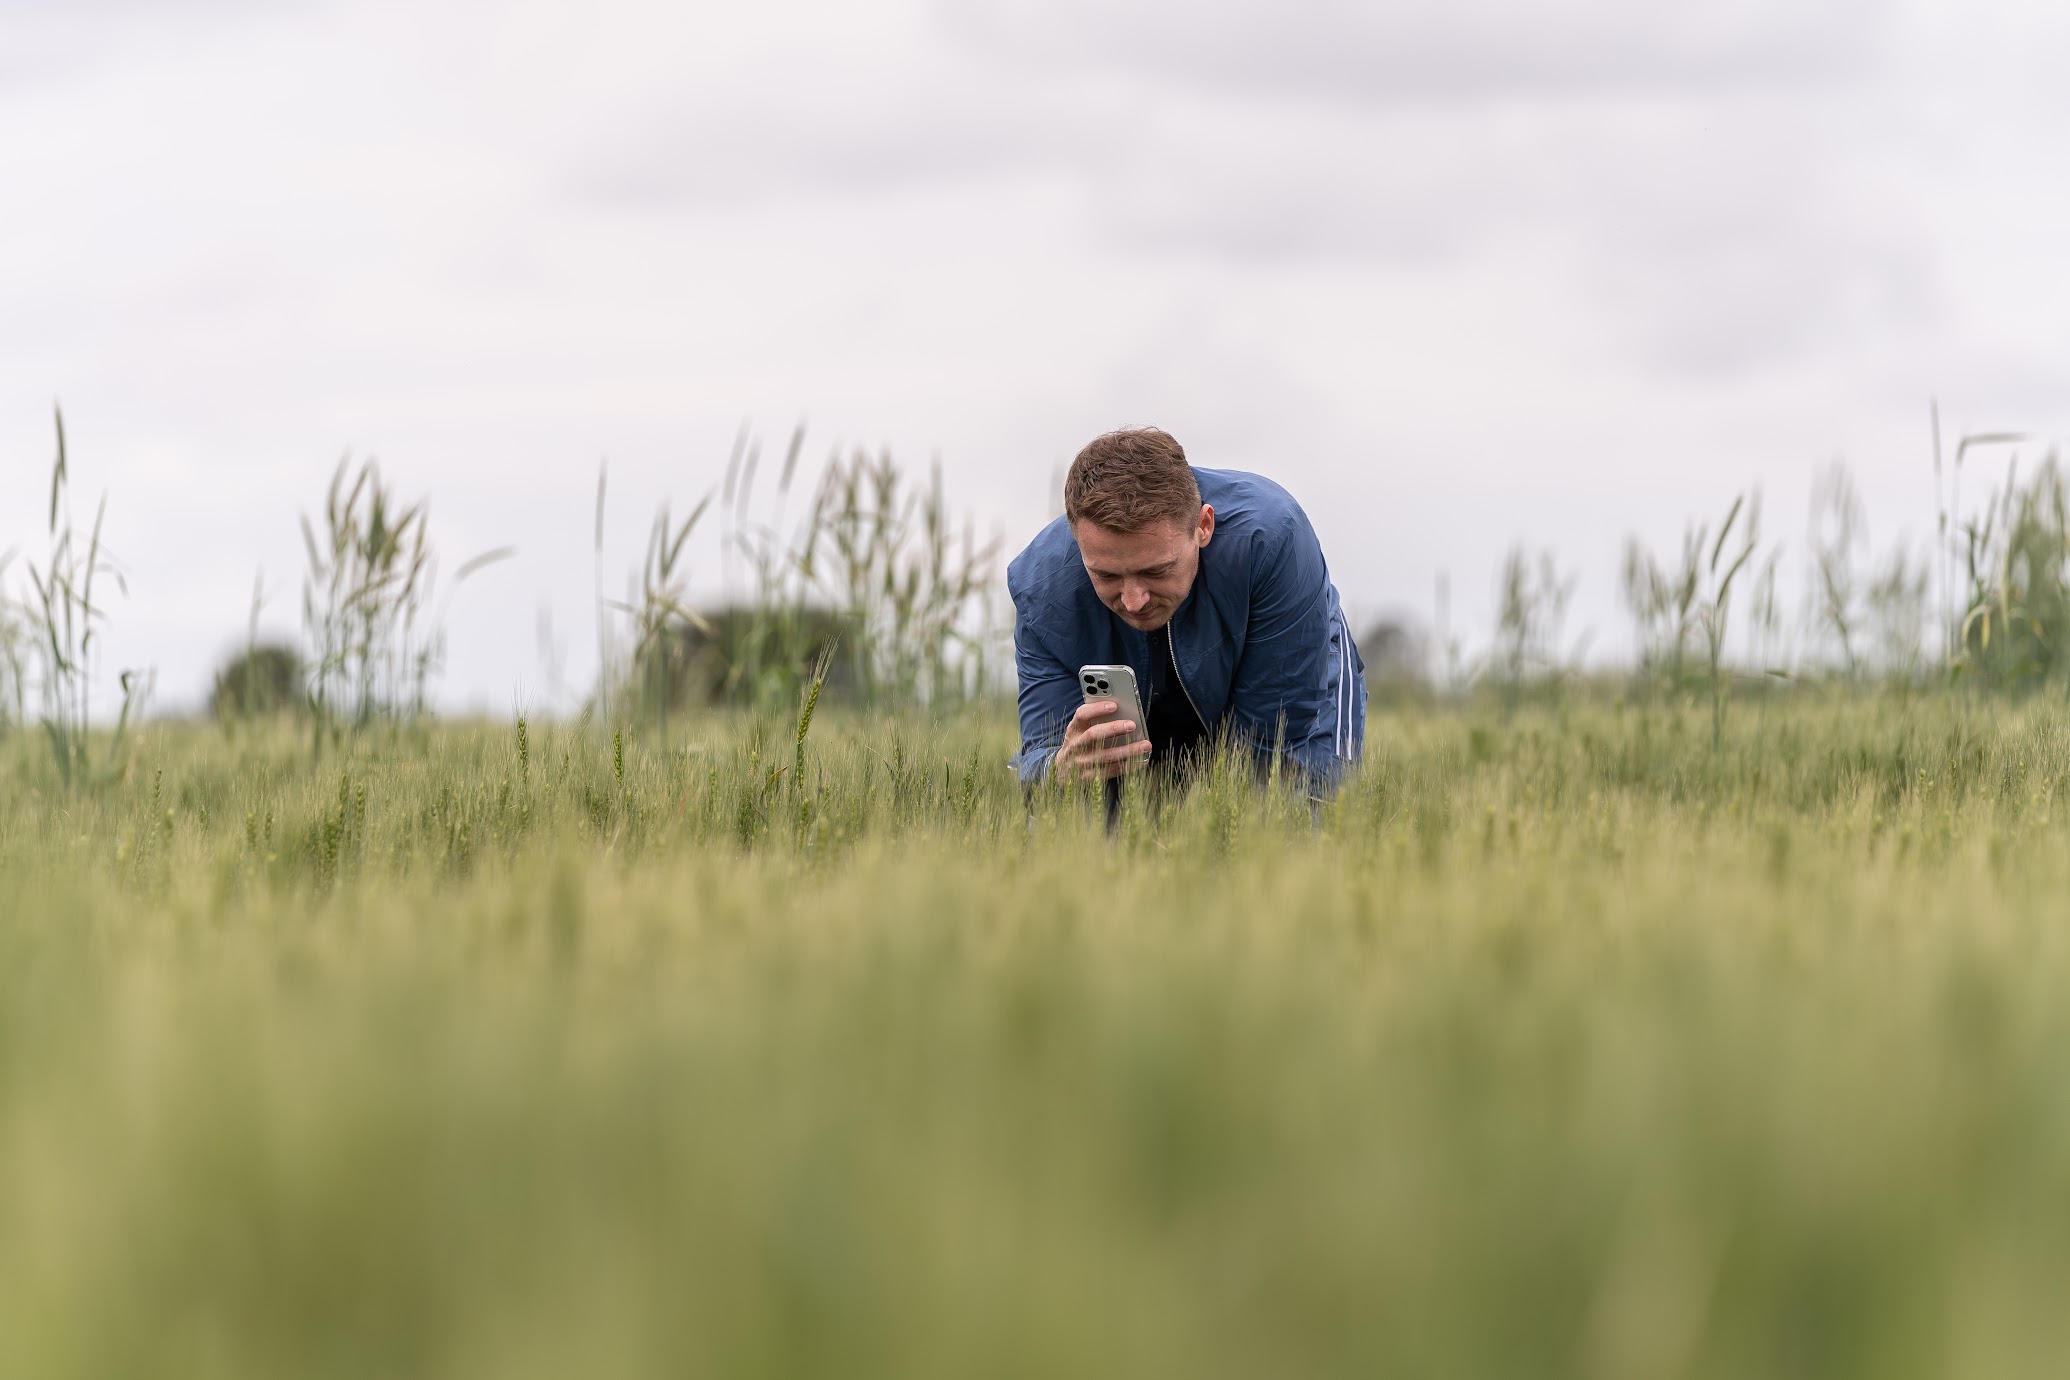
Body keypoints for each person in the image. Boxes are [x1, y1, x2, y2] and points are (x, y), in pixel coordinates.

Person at [1008, 427, 1365, 794]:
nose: (1133, 601)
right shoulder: (1040, 588)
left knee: (1288, 805)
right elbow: (1040, 758)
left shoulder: (1273, 541)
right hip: (1147, 709)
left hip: (1286, 683)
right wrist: (1060, 769)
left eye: (1156, 570)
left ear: (1203, 526)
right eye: (1106, 575)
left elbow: (1269, 747)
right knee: (1096, 826)